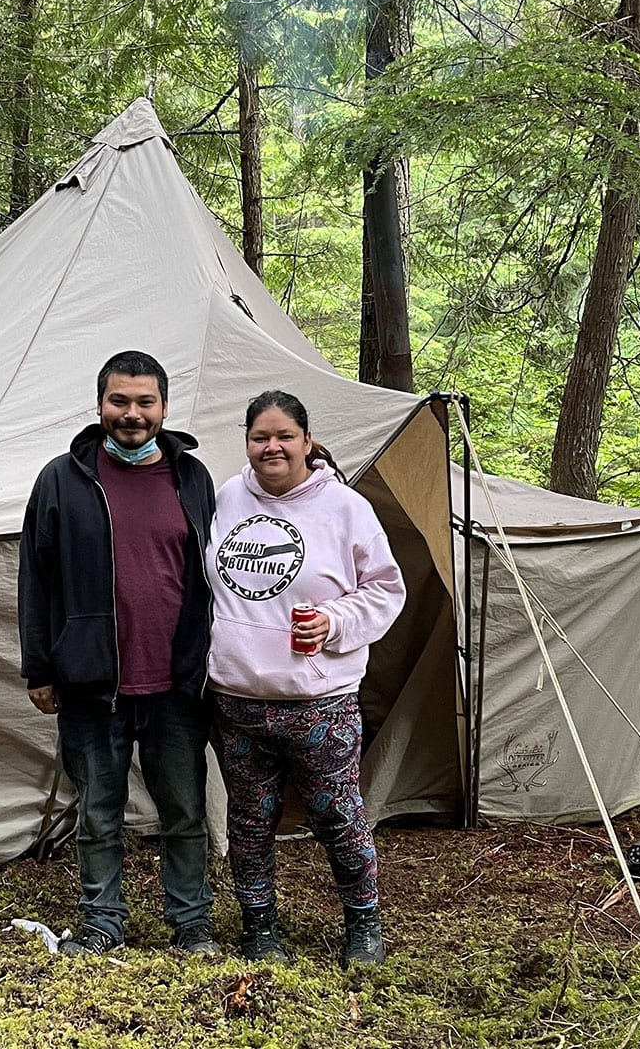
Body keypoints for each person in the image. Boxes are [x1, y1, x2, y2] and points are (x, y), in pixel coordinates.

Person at [17, 351, 220, 957]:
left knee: (183, 813)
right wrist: (40, 667)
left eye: (145, 402)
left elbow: (222, 570)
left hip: (177, 682)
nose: (132, 414)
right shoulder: (62, 477)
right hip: (90, 683)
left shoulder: (192, 478)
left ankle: (193, 924)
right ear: (100, 404)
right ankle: (102, 922)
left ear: (163, 406)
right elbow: (36, 576)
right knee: (99, 815)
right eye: (119, 401)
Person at [205, 389, 406, 967]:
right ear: (247, 444)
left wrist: (335, 622)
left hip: (318, 701)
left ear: (307, 441)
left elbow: (387, 590)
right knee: (248, 819)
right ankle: (259, 927)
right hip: (237, 700)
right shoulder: (226, 497)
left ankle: (363, 925)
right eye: (260, 437)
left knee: (338, 815)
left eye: (284, 436)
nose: (272, 447)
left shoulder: (345, 508)